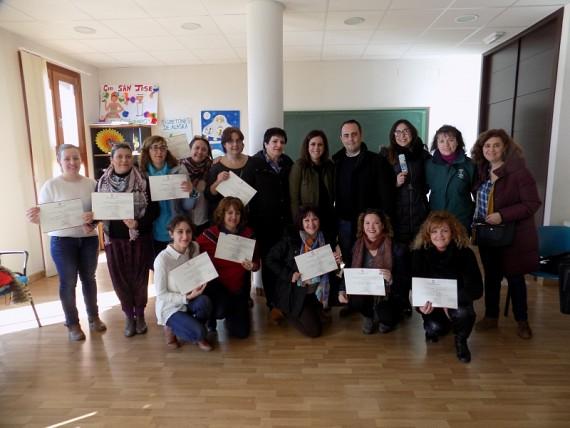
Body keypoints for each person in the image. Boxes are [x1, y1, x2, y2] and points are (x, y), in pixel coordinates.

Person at [25, 144, 106, 341]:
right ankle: (72, 324)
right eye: (67, 159)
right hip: (62, 242)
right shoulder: (50, 186)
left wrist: (94, 219)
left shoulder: (91, 183)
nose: (72, 162)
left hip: (88, 240)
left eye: (76, 158)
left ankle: (94, 317)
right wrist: (36, 217)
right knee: (68, 283)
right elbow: (45, 216)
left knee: (89, 279)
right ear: (60, 161)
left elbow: (101, 211)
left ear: (81, 160)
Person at [471, 129, 541, 340]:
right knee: (491, 278)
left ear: (505, 148)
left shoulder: (519, 172)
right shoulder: (482, 170)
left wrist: (503, 215)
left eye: (496, 145)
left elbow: (532, 204)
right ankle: (491, 317)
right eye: (486, 146)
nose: (491, 149)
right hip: (488, 234)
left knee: (515, 278)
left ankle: (522, 321)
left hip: (513, 235)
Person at [96, 143, 159, 337]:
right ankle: (128, 317)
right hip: (114, 240)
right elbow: (99, 212)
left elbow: (154, 210)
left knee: (139, 280)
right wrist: (90, 220)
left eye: (128, 156)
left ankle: (139, 315)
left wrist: (137, 224)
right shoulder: (101, 183)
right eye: (120, 156)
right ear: (111, 159)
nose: (124, 160)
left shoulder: (144, 181)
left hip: (139, 238)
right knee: (119, 280)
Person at [411, 211, 483, 363]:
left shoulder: (465, 253)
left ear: (453, 232)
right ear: (428, 234)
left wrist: (450, 301)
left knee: (464, 314)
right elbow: (417, 286)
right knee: (435, 328)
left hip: (458, 301)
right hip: (432, 304)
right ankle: (440, 326)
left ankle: (461, 341)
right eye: (434, 231)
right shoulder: (419, 254)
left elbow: (476, 289)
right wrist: (420, 307)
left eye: (444, 230)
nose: (439, 235)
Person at [380, 119, 431, 317]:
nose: (402, 135)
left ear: (413, 133)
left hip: (420, 215)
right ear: (393, 135)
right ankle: (401, 302)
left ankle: (422, 303)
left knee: (418, 260)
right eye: (398, 132)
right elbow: (381, 187)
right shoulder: (386, 156)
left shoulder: (424, 155)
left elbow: (428, 185)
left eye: (406, 131)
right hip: (397, 217)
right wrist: (395, 182)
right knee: (400, 261)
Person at [266, 206, 341, 338]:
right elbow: (270, 259)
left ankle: (314, 308)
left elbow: (335, 270)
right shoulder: (291, 239)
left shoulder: (327, 238)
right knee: (314, 332)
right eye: (306, 220)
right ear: (301, 222)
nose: (311, 224)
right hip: (295, 291)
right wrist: (290, 275)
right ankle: (285, 311)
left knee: (324, 320)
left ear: (320, 220)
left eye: (315, 219)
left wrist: (337, 262)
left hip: (316, 290)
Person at [246, 127, 294, 322]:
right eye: (274, 141)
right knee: (269, 264)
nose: (278, 145)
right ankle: (273, 303)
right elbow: (245, 195)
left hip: (285, 223)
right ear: (266, 144)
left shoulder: (288, 163)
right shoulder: (253, 164)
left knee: (285, 261)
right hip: (263, 224)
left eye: (282, 142)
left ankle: (286, 301)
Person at [332, 119, 394, 268]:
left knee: (369, 265)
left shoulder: (377, 161)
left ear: (361, 136)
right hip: (345, 225)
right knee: (347, 264)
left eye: (354, 134)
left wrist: (382, 223)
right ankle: (346, 292)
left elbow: (387, 197)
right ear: (341, 138)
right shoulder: (336, 163)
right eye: (346, 135)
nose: (350, 139)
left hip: (370, 226)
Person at [196, 197, 259, 339]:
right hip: (217, 288)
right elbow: (193, 249)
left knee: (241, 334)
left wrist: (252, 266)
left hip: (238, 290)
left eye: (237, 213)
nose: (233, 217)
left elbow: (256, 264)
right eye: (229, 213)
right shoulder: (210, 234)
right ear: (222, 214)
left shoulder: (248, 234)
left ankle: (232, 316)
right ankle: (211, 318)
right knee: (220, 310)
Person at [153, 215, 213, 351]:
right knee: (200, 333)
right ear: (171, 234)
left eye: (188, 231)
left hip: (190, 298)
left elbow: (197, 273)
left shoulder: (194, 247)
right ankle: (170, 328)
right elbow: (161, 294)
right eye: (180, 232)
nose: (185, 236)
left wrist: (203, 280)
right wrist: (186, 298)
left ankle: (194, 330)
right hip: (171, 307)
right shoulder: (162, 260)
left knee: (205, 302)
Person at [338, 209, 398, 334]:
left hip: (387, 295)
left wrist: (392, 279)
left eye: (376, 223)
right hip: (364, 293)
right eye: (367, 223)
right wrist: (342, 290)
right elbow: (348, 270)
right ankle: (368, 315)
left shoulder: (395, 247)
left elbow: (405, 278)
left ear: (383, 225)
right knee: (355, 301)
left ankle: (384, 317)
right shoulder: (356, 246)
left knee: (386, 319)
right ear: (362, 225)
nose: (371, 227)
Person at [139, 135, 196, 259]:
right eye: (155, 148)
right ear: (147, 151)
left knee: (181, 268)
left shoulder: (179, 170)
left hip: (178, 232)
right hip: (153, 231)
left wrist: (191, 192)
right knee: (160, 268)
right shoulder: (140, 175)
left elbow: (188, 206)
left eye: (163, 148)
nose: (159, 152)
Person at [425, 125, 476, 232]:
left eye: (451, 140)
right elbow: (423, 190)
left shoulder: (470, 165)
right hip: (436, 221)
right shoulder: (429, 165)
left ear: (458, 142)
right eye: (441, 141)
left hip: (461, 220)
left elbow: (477, 195)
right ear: (436, 144)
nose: (446, 145)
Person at [289, 130, 336, 243]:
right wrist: (299, 223)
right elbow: (294, 199)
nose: (316, 148)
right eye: (313, 144)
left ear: (324, 147)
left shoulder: (329, 166)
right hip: (308, 223)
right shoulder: (299, 166)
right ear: (307, 146)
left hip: (326, 220)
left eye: (320, 144)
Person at [206, 127, 254, 212]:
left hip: (248, 215)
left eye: (238, 140)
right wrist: (218, 182)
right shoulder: (216, 166)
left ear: (242, 143)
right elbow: (210, 195)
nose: (235, 144)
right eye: (230, 141)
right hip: (224, 216)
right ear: (224, 144)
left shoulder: (252, 163)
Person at [180, 135, 213, 235]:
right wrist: (193, 191)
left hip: (204, 219)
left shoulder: (211, 168)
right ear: (190, 149)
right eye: (197, 148)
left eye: (204, 149)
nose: (199, 152)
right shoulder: (179, 168)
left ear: (208, 153)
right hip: (183, 220)